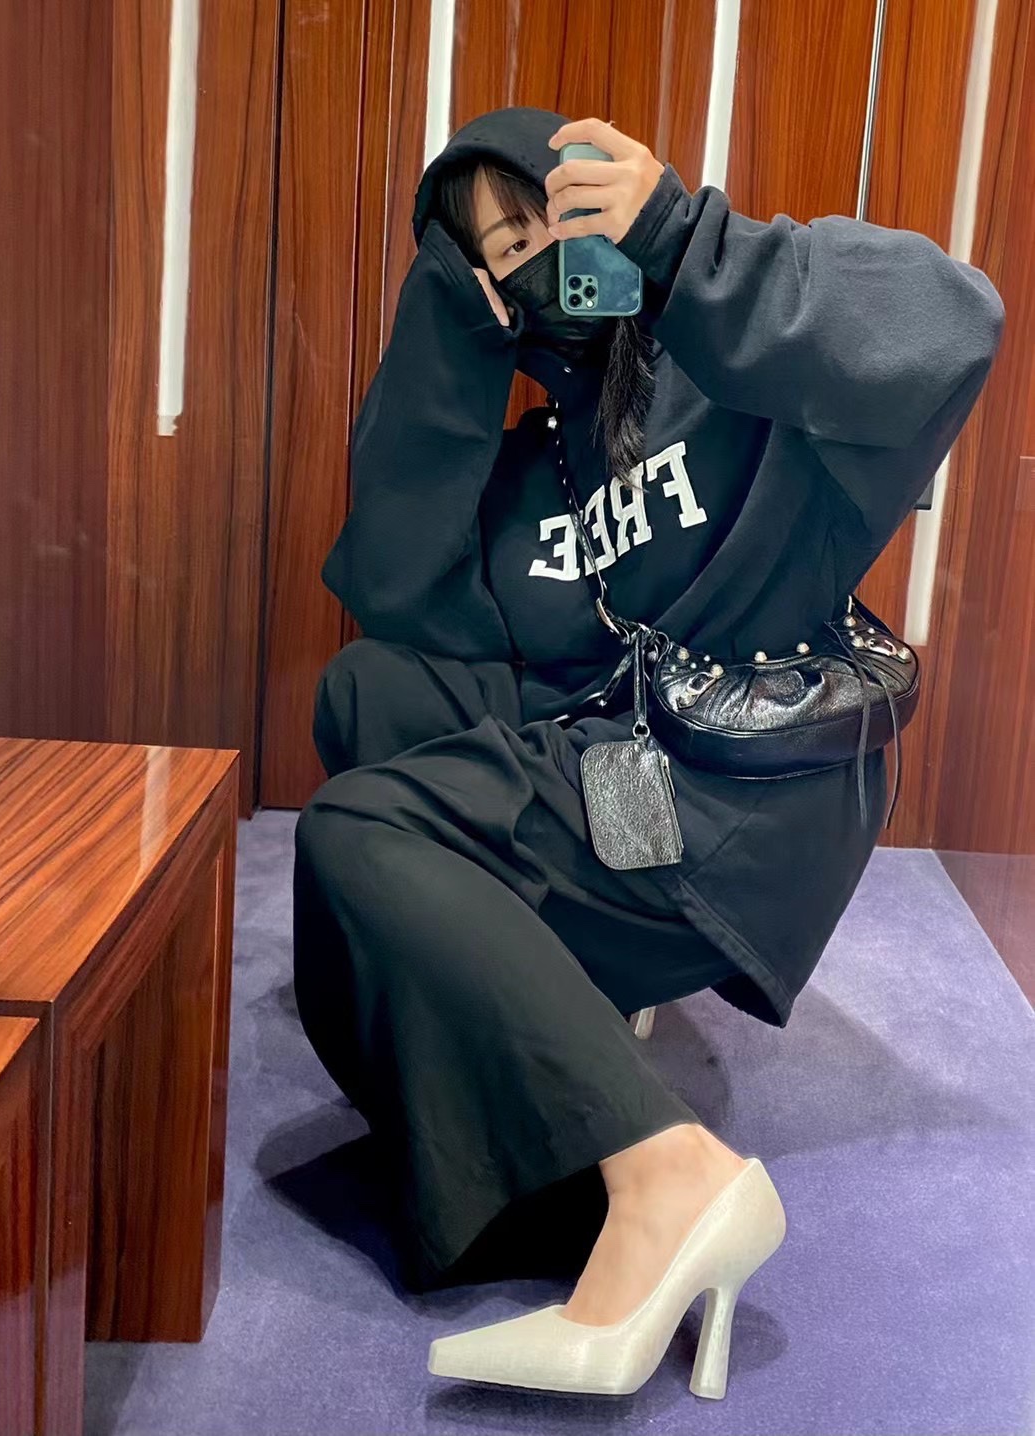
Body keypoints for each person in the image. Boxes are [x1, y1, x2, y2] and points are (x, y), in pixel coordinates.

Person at [293, 107, 1004, 1397]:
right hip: (622, 763)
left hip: (746, 798)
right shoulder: (534, 464)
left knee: (358, 834)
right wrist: (450, 334)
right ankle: (548, 1036)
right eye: (498, 253)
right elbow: (399, 591)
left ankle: (667, 1177)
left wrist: (686, 241)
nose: (536, 264)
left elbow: (956, 321)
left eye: (547, 220)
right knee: (368, 692)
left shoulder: (745, 387)